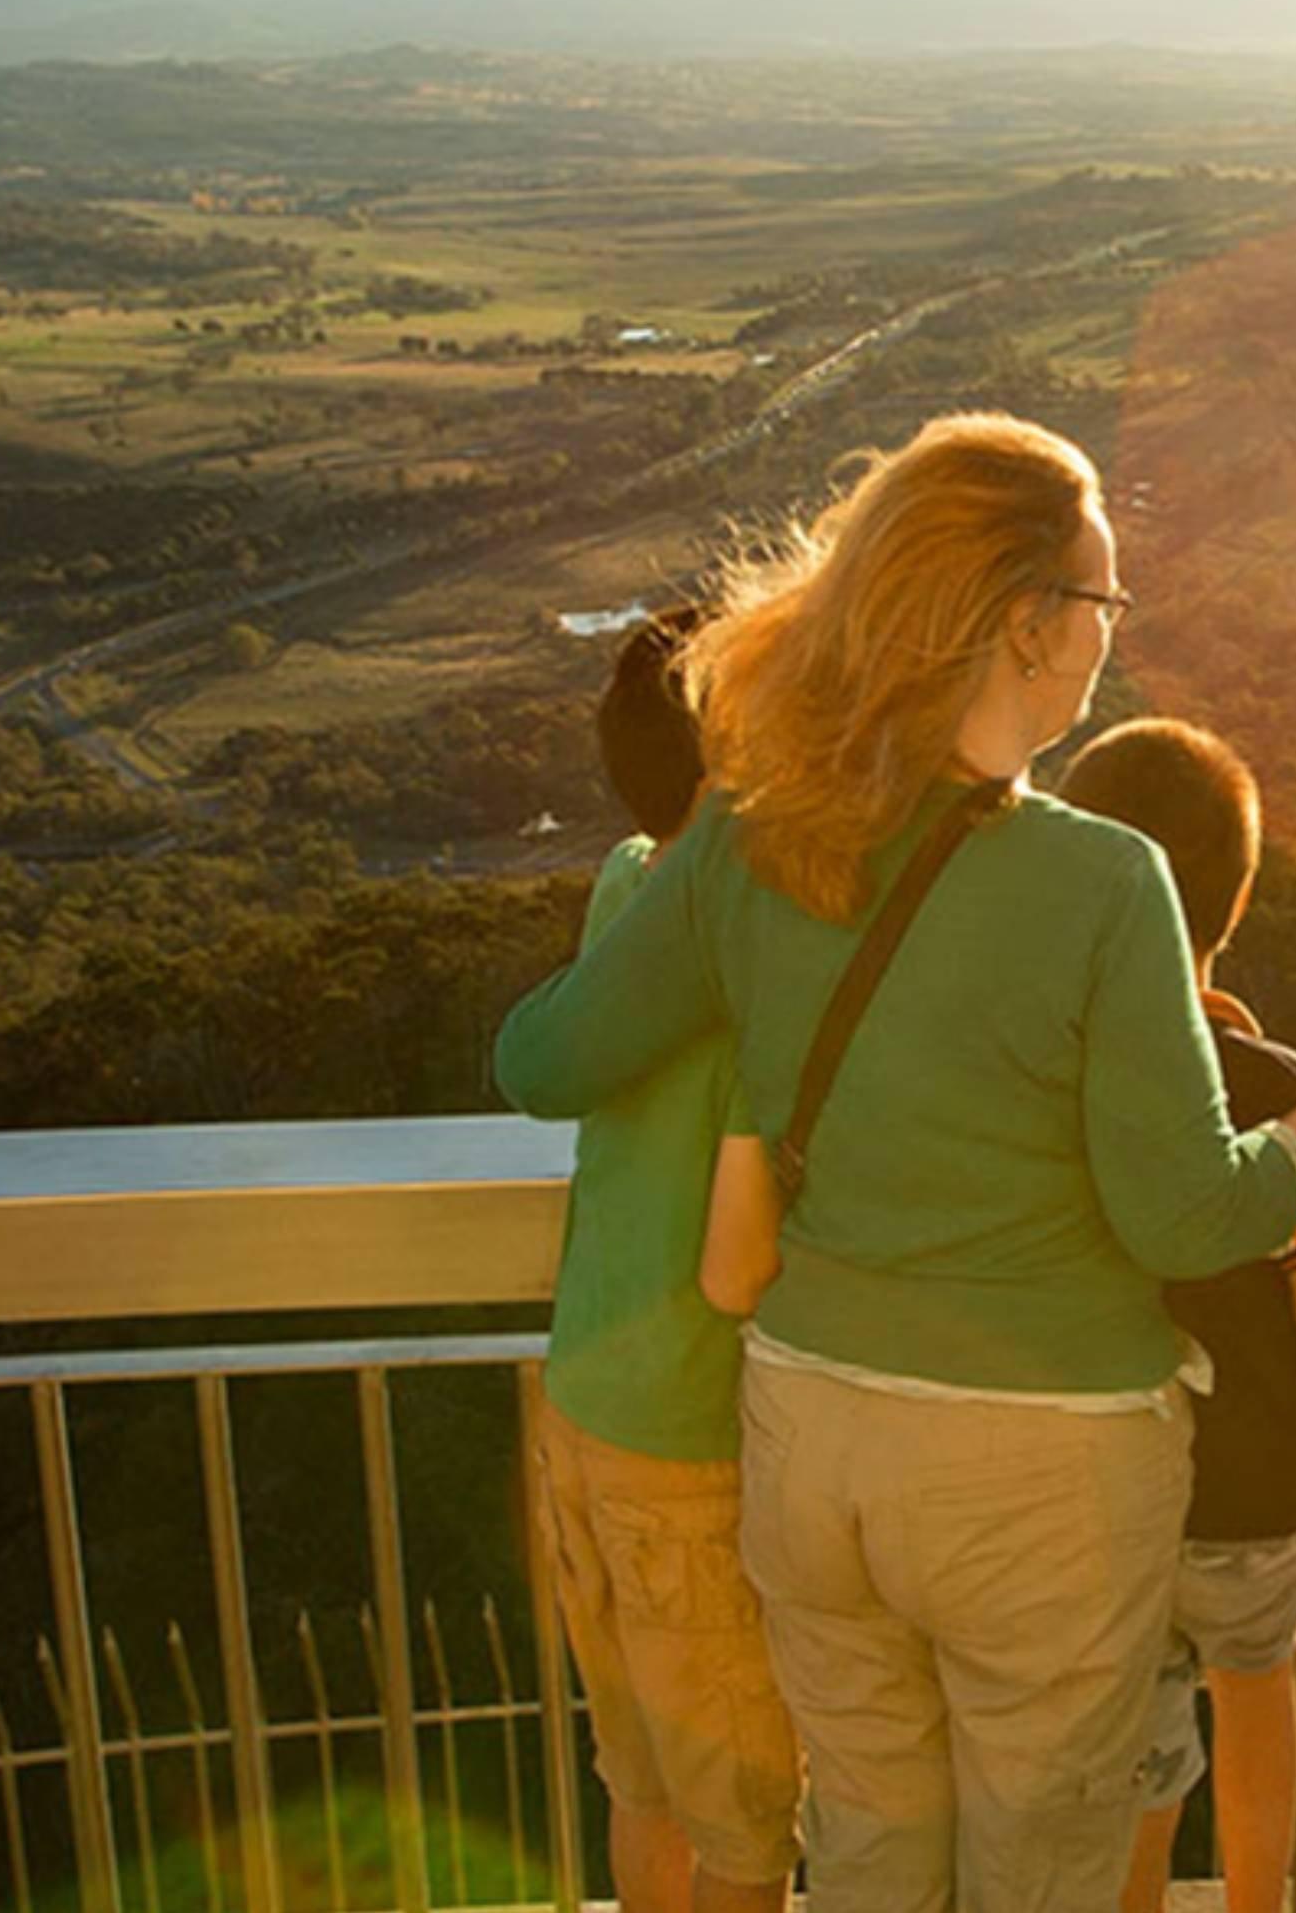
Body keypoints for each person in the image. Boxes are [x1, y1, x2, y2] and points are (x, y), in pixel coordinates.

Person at [494, 412, 1296, 1913]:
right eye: (1103, 608)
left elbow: (539, 1063)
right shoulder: (1104, 882)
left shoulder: (748, 831)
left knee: (869, 1855)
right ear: (1024, 624)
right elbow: (1188, 1214)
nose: (1106, 643)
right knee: (1040, 1870)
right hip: (1044, 1473)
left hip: (814, 1446)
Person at [1054, 718, 1296, 1913]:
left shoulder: (1055, 1083)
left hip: (1106, 1508)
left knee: (1137, 1769)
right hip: (1260, 1497)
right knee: (1258, 1701)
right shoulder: (1286, 1092)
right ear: (1237, 897)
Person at [529, 606, 801, 1913]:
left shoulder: (629, 883)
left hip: (579, 1403)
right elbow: (737, 1269)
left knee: (644, 1791)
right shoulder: (752, 945)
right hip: (690, 1449)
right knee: (748, 1825)